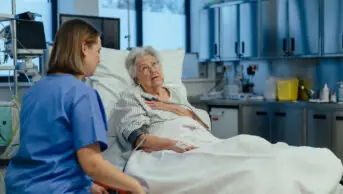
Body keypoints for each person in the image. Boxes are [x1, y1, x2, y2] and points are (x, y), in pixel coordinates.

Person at [105, 46, 343, 194]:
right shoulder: (131, 97)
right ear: (136, 77)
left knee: (252, 145)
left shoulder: (175, 93)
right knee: (248, 169)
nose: (153, 70)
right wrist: (172, 144)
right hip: (166, 149)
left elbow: (203, 121)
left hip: (203, 138)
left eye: (155, 64)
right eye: (144, 68)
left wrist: (178, 110)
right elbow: (138, 138)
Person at [5, 19, 145, 194]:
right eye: (98, 51)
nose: (99, 59)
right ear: (84, 47)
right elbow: (92, 164)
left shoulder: (34, 92)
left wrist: (88, 185)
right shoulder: (82, 95)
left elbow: (47, 154)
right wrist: (135, 187)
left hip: (19, 187)